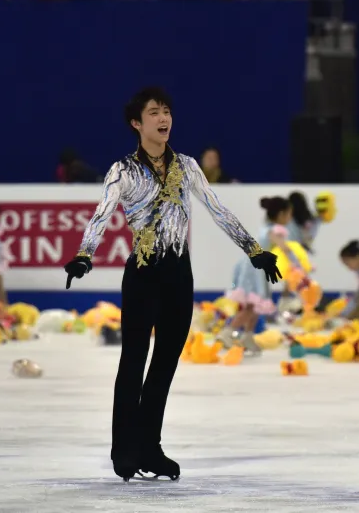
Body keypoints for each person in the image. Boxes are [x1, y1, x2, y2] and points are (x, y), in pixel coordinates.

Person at [62, 87, 280, 483]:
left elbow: (217, 208)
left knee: (164, 365)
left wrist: (253, 250)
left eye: (167, 112)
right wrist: (85, 254)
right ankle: (124, 449)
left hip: (179, 275)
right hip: (143, 275)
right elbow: (101, 214)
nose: (163, 119)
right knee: (133, 363)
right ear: (136, 123)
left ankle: (150, 447)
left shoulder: (188, 166)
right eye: (154, 113)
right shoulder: (123, 170)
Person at [221, 196, 289, 352]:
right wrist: (291, 252)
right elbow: (282, 245)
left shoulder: (266, 227)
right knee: (251, 307)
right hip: (254, 269)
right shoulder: (274, 230)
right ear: (281, 214)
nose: (290, 218)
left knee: (255, 306)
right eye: (288, 214)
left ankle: (248, 336)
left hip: (255, 267)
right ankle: (228, 332)